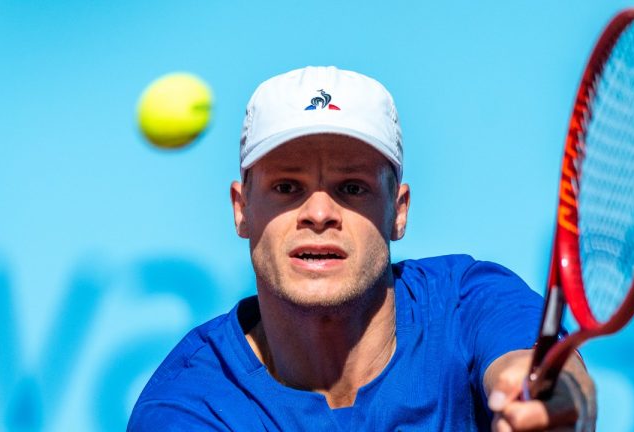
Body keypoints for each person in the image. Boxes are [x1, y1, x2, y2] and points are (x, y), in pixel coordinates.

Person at [127, 66, 596, 431]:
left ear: (399, 210)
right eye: (287, 186)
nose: (318, 213)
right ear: (241, 208)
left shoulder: (467, 298)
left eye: (351, 188)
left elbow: (544, 372)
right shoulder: (188, 405)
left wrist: (554, 404)